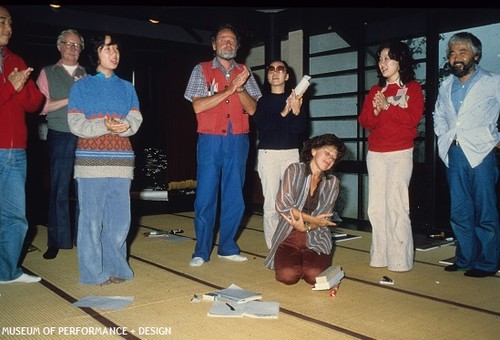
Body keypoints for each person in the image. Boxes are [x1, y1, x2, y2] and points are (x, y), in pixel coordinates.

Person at [184, 23, 262, 267]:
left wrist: (239, 89)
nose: (227, 43)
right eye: (223, 40)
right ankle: (201, 251)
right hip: (210, 140)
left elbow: (252, 108)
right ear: (214, 45)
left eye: (232, 40)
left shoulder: (246, 73)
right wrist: (230, 89)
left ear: (237, 46)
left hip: (238, 140)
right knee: (206, 196)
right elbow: (198, 106)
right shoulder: (201, 70)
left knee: (235, 196)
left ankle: (227, 247)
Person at [67, 33, 143, 285]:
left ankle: (117, 268)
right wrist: (106, 125)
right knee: (90, 220)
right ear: (95, 54)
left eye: (116, 49)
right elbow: (76, 124)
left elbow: (135, 119)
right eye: (107, 48)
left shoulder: (127, 87)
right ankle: (91, 273)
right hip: (90, 164)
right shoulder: (81, 87)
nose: (114, 54)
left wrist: (124, 126)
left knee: (120, 221)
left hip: (121, 163)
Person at [433, 32, 500, 278]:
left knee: (485, 210)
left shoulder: (493, 81)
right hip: (455, 152)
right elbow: (438, 114)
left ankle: (487, 263)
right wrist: (444, 135)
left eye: (462, 52)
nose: (456, 57)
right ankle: (464, 258)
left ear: (476, 55)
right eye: (452, 53)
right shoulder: (446, 85)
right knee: (459, 210)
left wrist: (496, 138)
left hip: (482, 152)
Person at [358, 41, 424, 272]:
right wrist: (376, 110)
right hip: (375, 155)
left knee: (396, 205)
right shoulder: (376, 91)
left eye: (388, 58)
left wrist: (388, 107)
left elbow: (412, 118)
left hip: (400, 153)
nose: (382, 63)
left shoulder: (413, 88)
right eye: (380, 59)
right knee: (376, 208)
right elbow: (366, 121)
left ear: (400, 61)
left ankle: (400, 260)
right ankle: (380, 256)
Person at [264, 134, 346, 285]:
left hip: (316, 234)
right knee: (287, 276)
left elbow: (324, 219)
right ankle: (295, 261)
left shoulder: (332, 183)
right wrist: (312, 220)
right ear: (314, 150)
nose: (330, 159)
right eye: (327, 152)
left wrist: (308, 226)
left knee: (315, 277)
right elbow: (283, 205)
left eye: (334, 157)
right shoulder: (295, 170)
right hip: (289, 234)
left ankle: (308, 262)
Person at [0, 6, 44, 284]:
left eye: (10, 22)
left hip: (16, 152)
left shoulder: (15, 59)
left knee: (16, 216)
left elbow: (34, 103)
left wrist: (21, 85)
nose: (9, 27)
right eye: (2, 22)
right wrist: (10, 88)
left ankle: (8, 272)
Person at [36, 29, 86, 260]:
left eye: (77, 46)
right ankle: (57, 240)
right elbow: (41, 106)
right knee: (59, 189)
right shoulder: (48, 72)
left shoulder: (85, 74)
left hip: (84, 136)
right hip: (60, 134)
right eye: (69, 44)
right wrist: (71, 98)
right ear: (59, 46)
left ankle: (83, 239)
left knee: (83, 190)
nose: (73, 49)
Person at [252, 60, 307, 249]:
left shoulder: (296, 98)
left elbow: (299, 129)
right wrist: (285, 110)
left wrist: (297, 110)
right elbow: (265, 127)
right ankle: (273, 248)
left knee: (292, 201)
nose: (275, 73)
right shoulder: (263, 101)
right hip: (269, 155)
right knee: (271, 203)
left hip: (291, 154)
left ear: (287, 76)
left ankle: (292, 245)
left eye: (280, 69)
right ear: (268, 76)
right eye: (271, 70)